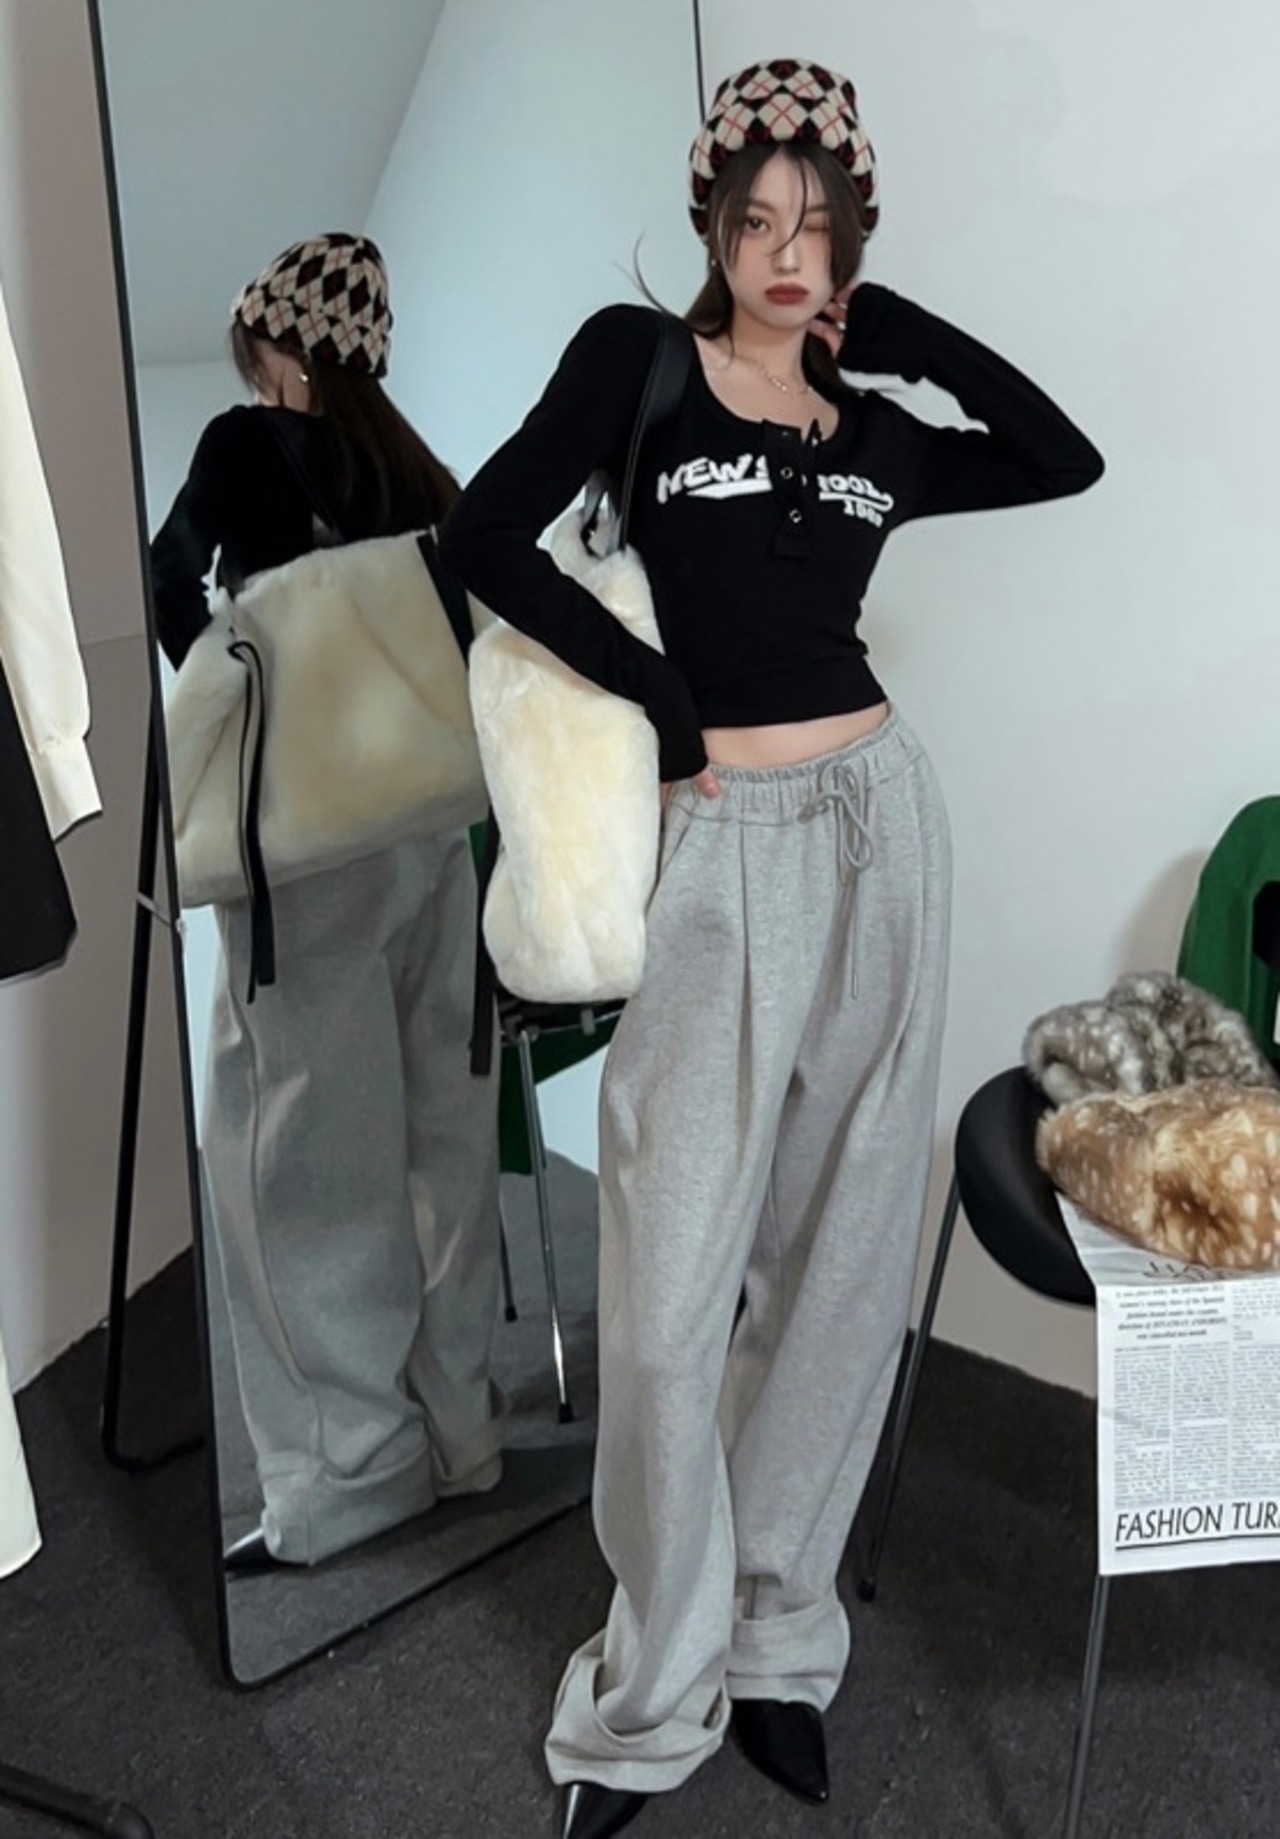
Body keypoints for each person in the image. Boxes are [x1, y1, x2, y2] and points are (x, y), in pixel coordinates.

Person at [442, 58, 1104, 1839]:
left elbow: (1064, 456)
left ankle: (777, 1639)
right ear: (714, 226)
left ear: (851, 245)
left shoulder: (871, 430)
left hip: (886, 831)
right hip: (723, 847)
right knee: (672, 1295)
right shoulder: (639, 368)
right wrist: (659, 697)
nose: (786, 256)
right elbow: (481, 536)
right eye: (757, 222)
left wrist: (911, 339)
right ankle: (649, 1691)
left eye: (818, 228)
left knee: (842, 1265)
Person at [151, 232, 504, 1571]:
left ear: (282, 343)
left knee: (297, 1159)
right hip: (434, 840)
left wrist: (242, 676)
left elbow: (168, 580)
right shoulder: (421, 475)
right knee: (440, 1139)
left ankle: (351, 1475)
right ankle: (461, 1432)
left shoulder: (244, 447)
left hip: (305, 856)